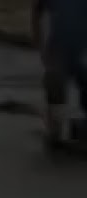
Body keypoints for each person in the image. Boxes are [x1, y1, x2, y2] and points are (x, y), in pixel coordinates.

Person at [35, 0, 87, 146]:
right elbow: (37, 11)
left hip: (82, 47)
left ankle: (80, 126)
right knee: (55, 82)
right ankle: (55, 128)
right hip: (59, 47)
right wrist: (40, 45)